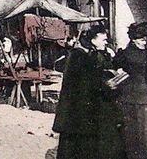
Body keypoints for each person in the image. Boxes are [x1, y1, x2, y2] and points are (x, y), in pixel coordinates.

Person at [53, 25, 125, 159]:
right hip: (77, 108)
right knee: (77, 144)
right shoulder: (79, 56)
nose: (106, 42)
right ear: (93, 40)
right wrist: (106, 84)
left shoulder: (87, 54)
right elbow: (85, 83)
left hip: (81, 107)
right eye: (103, 40)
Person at [114, 22, 147, 159]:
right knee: (131, 130)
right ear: (133, 39)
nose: (144, 42)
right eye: (141, 39)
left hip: (143, 94)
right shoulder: (124, 53)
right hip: (127, 95)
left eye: (146, 39)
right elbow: (114, 70)